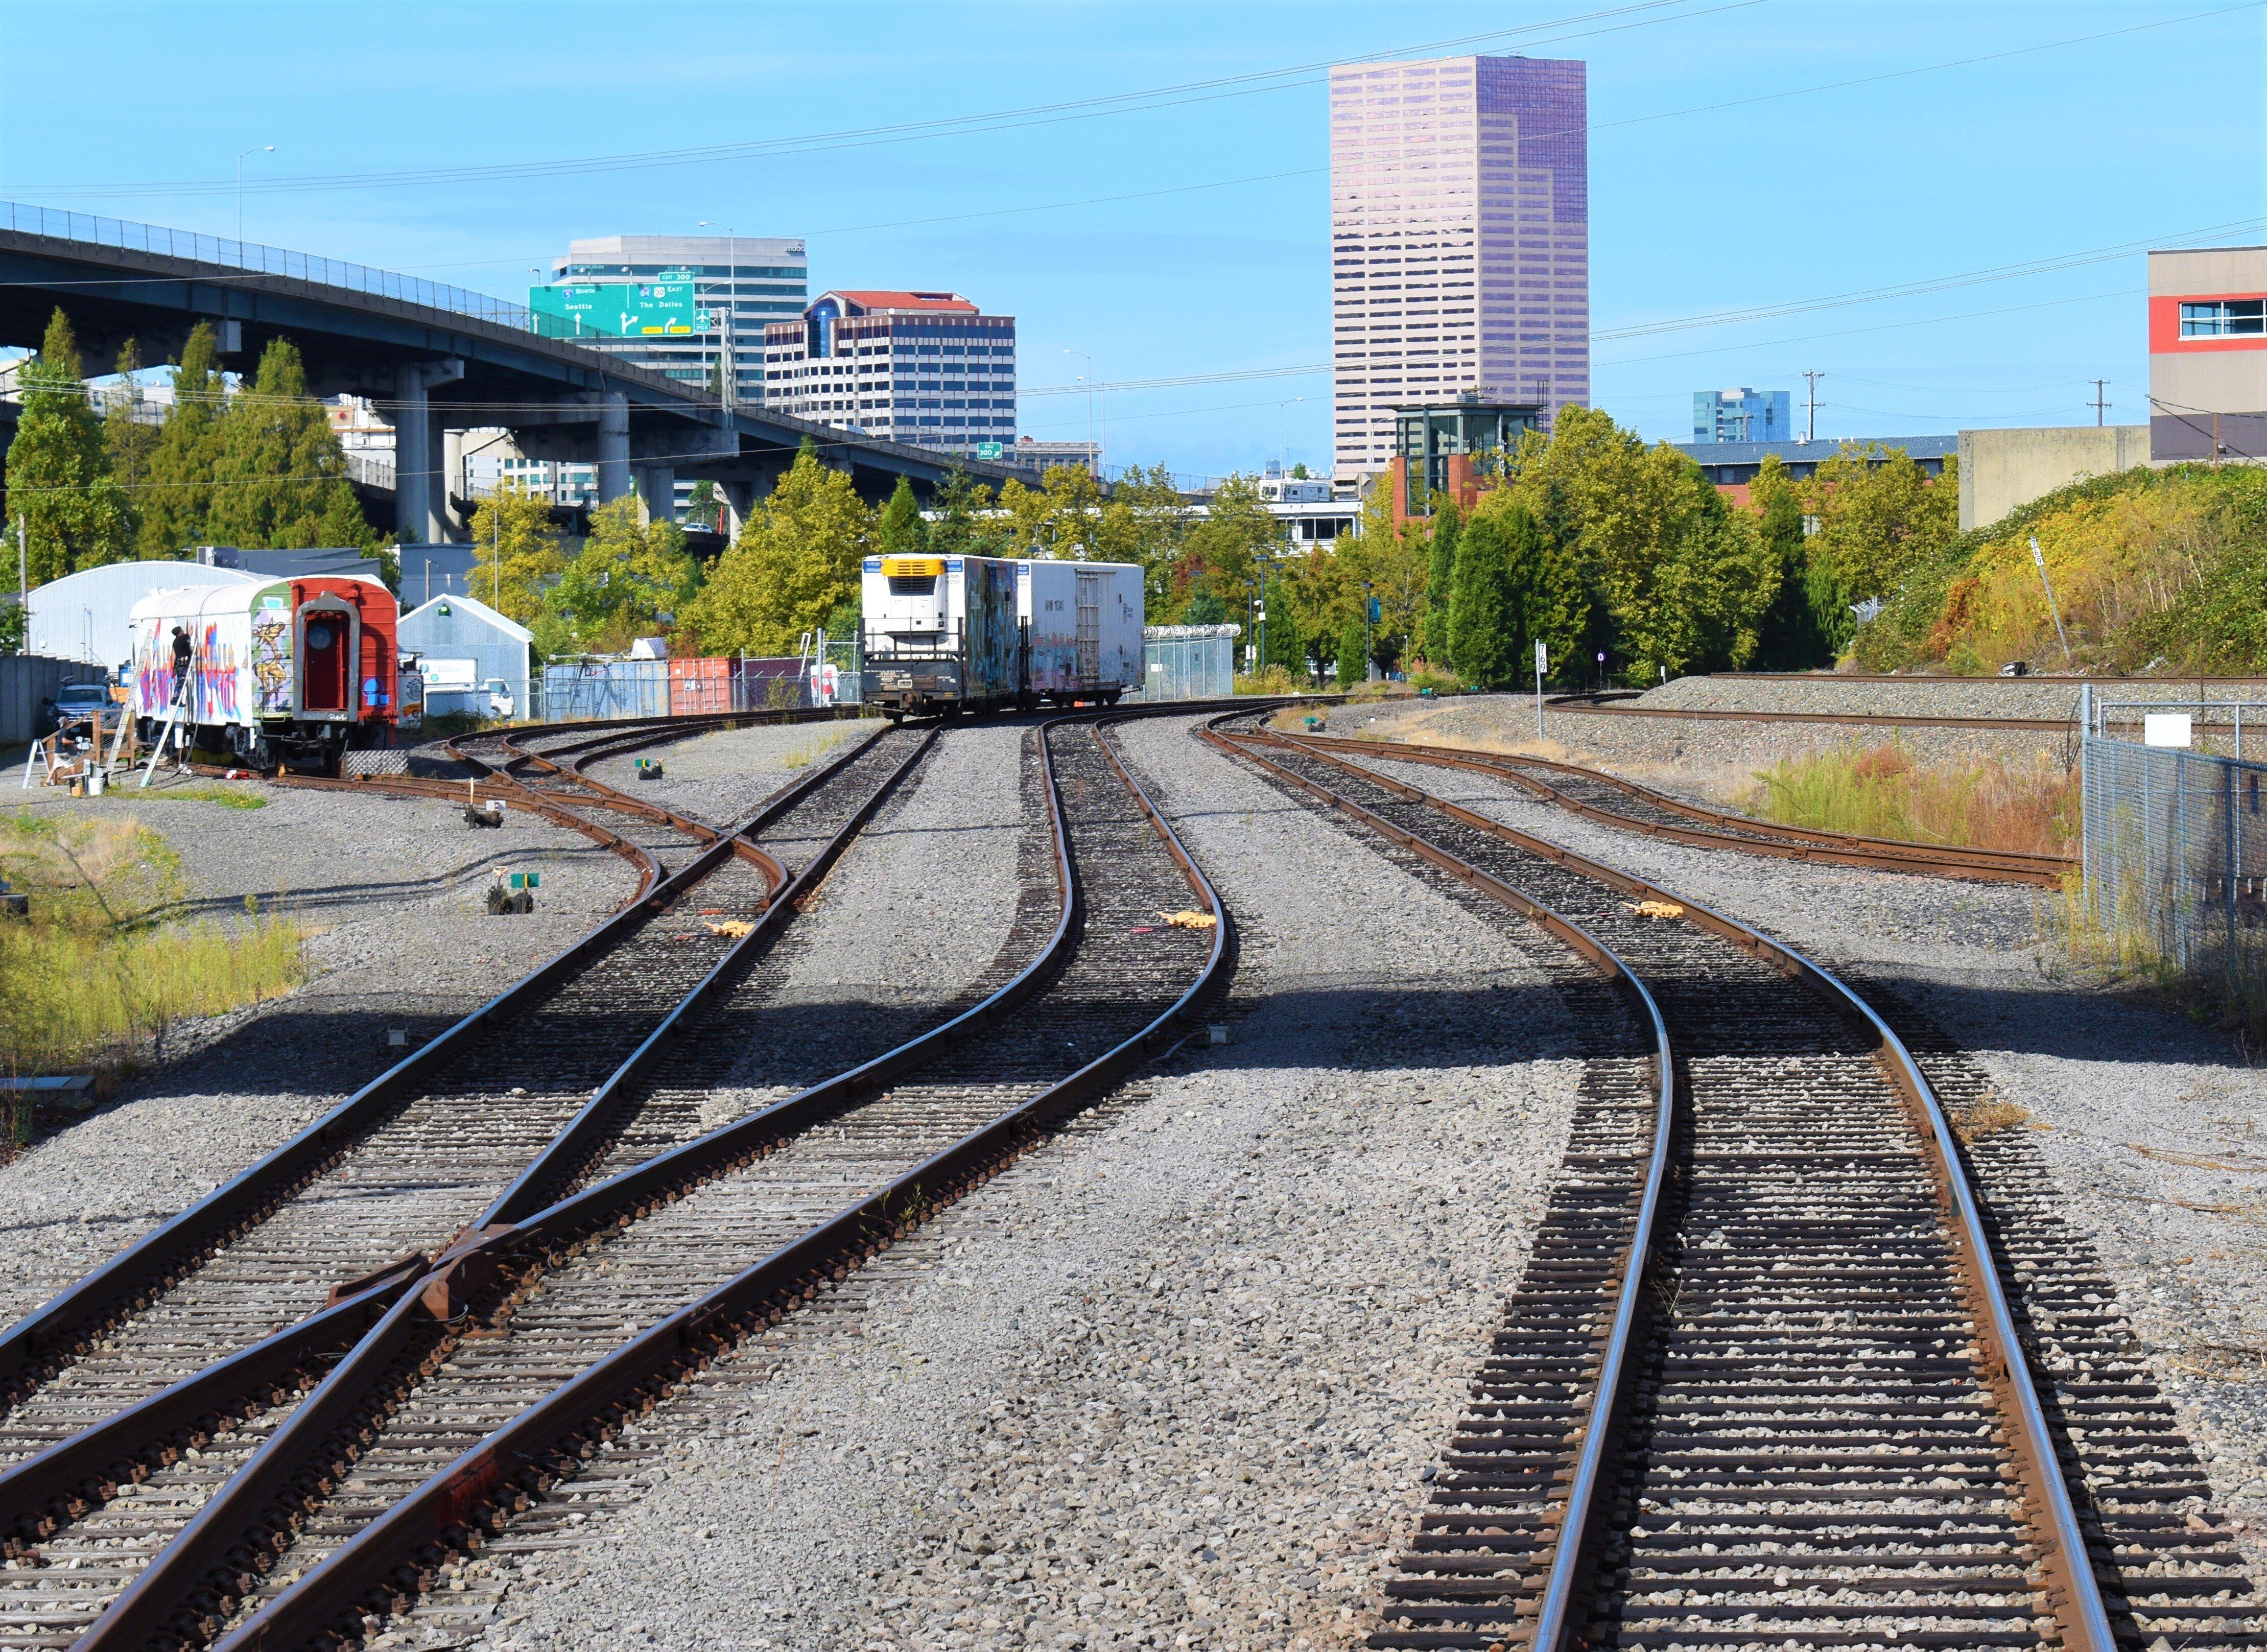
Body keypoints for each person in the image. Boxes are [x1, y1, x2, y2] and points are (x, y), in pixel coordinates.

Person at [169, 625, 193, 704]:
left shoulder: (175, 642)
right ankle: (176, 699)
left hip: (179, 664)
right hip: (183, 664)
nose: (183, 630)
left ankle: (176, 699)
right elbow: (190, 634)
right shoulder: (182, 638)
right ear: (180, 632)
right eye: (182, 629)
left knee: (180, 681)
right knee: (181, 681)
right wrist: (191, 628)